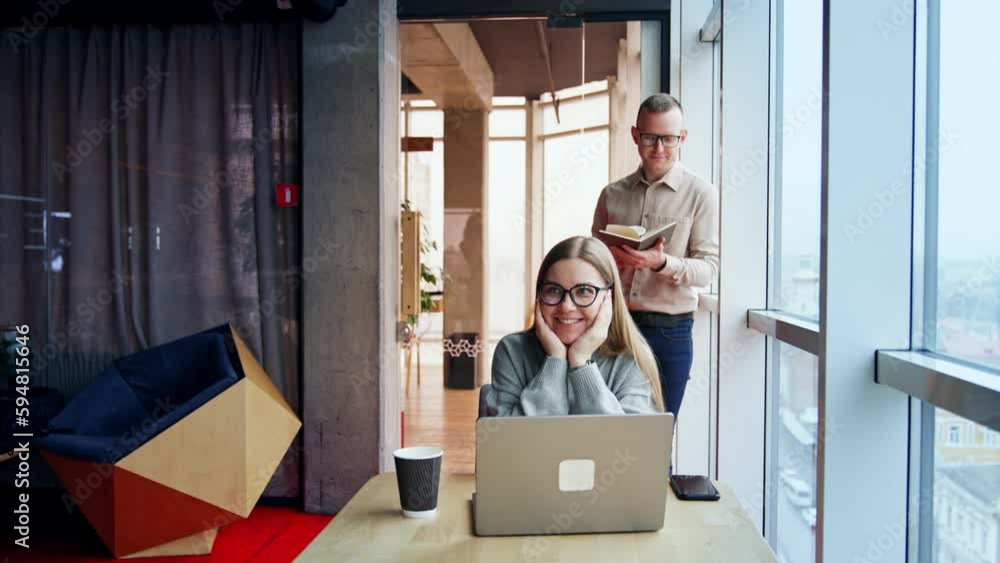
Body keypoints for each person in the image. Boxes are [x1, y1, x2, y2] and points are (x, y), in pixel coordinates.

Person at [592, 93, 719, 419]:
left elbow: (708, 269)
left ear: (682, 138)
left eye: (669, 138)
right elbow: (593, 261)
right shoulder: (611, 195)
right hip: (616, 325)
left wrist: (661, 263)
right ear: (636, 135)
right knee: (608, 423)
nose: (659, 148)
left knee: (659, 431)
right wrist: (608, 260)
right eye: (650, 137)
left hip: (670, 331)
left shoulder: (701, 194)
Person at [487, 236, 664, 416]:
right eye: (553, 290)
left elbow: (626, 434)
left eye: (584, 291)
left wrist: (581, 362)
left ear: (609, 299)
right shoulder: (512, 351)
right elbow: (508, 433)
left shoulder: (632, 357)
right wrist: (555, 361)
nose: (566, 306)